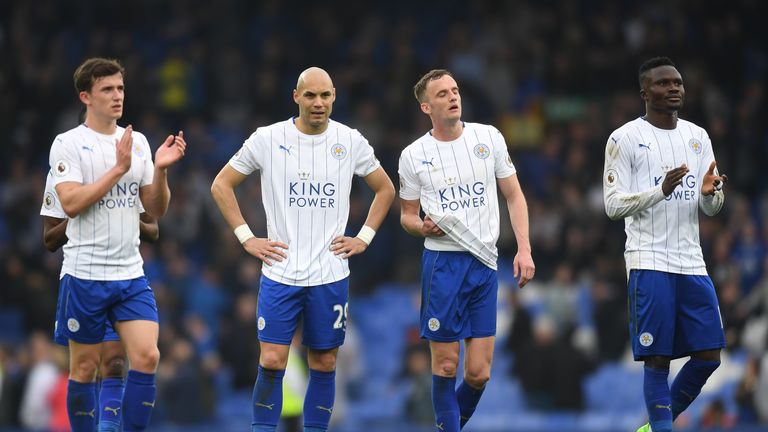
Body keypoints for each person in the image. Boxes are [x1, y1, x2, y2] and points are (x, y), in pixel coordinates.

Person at [210, 66, 395, 432]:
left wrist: (364, 237)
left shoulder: (350, 141)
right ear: (296, 97)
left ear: (334, 97)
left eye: (325, 95)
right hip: (281, 271)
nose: (318, 103)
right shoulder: (268, 138)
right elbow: (221, 184)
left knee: (324, 363)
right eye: (310, 95)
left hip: (330, 273)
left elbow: (386, 189)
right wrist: (247, 237)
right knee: (274, 361)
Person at [47, 57, 186, 432]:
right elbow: (72, 204)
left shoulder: (137, 142)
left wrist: (160, 170)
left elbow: (155, 209)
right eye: (107, 89)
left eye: (120, 88)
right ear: (86, 97)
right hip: (85, 273)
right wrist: (117, 170)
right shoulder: (68, 144)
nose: (117, 96)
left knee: (147, 355)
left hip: (129, 272)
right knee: (85, 368)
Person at [398, 69, 535, 432]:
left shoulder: (488, 137)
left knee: (479, 373)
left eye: (455, 90)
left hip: (484, 263)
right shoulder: (413, 156)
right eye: (442, 94)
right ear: (427, 106)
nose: (453, 97)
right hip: (443, 264)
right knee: (445, 366)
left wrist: (524, 249)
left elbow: (514, 195)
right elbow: (407, 216)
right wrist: (420, 226)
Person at [603, 57, 728, 432]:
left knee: (709, 356)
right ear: (644, 92)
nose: (674, 88)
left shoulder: (698, 137)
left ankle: (655, 425)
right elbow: (612, 205)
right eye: (663, 83)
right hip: (649, 259)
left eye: (678, 82)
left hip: (692, 261)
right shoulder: (624, 138)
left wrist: (711, 194)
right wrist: (661, 190)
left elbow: (712, 205)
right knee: (658, 359)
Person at [40, 168, 159, 431]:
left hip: (125, 278)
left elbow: (153, 231)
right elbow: (49, 239)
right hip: (83, 278)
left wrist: (122, 217)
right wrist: (86, 212)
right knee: (86, 367)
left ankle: (109, 427)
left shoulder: (130, 169)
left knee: (117, 362)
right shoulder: (62, 172)